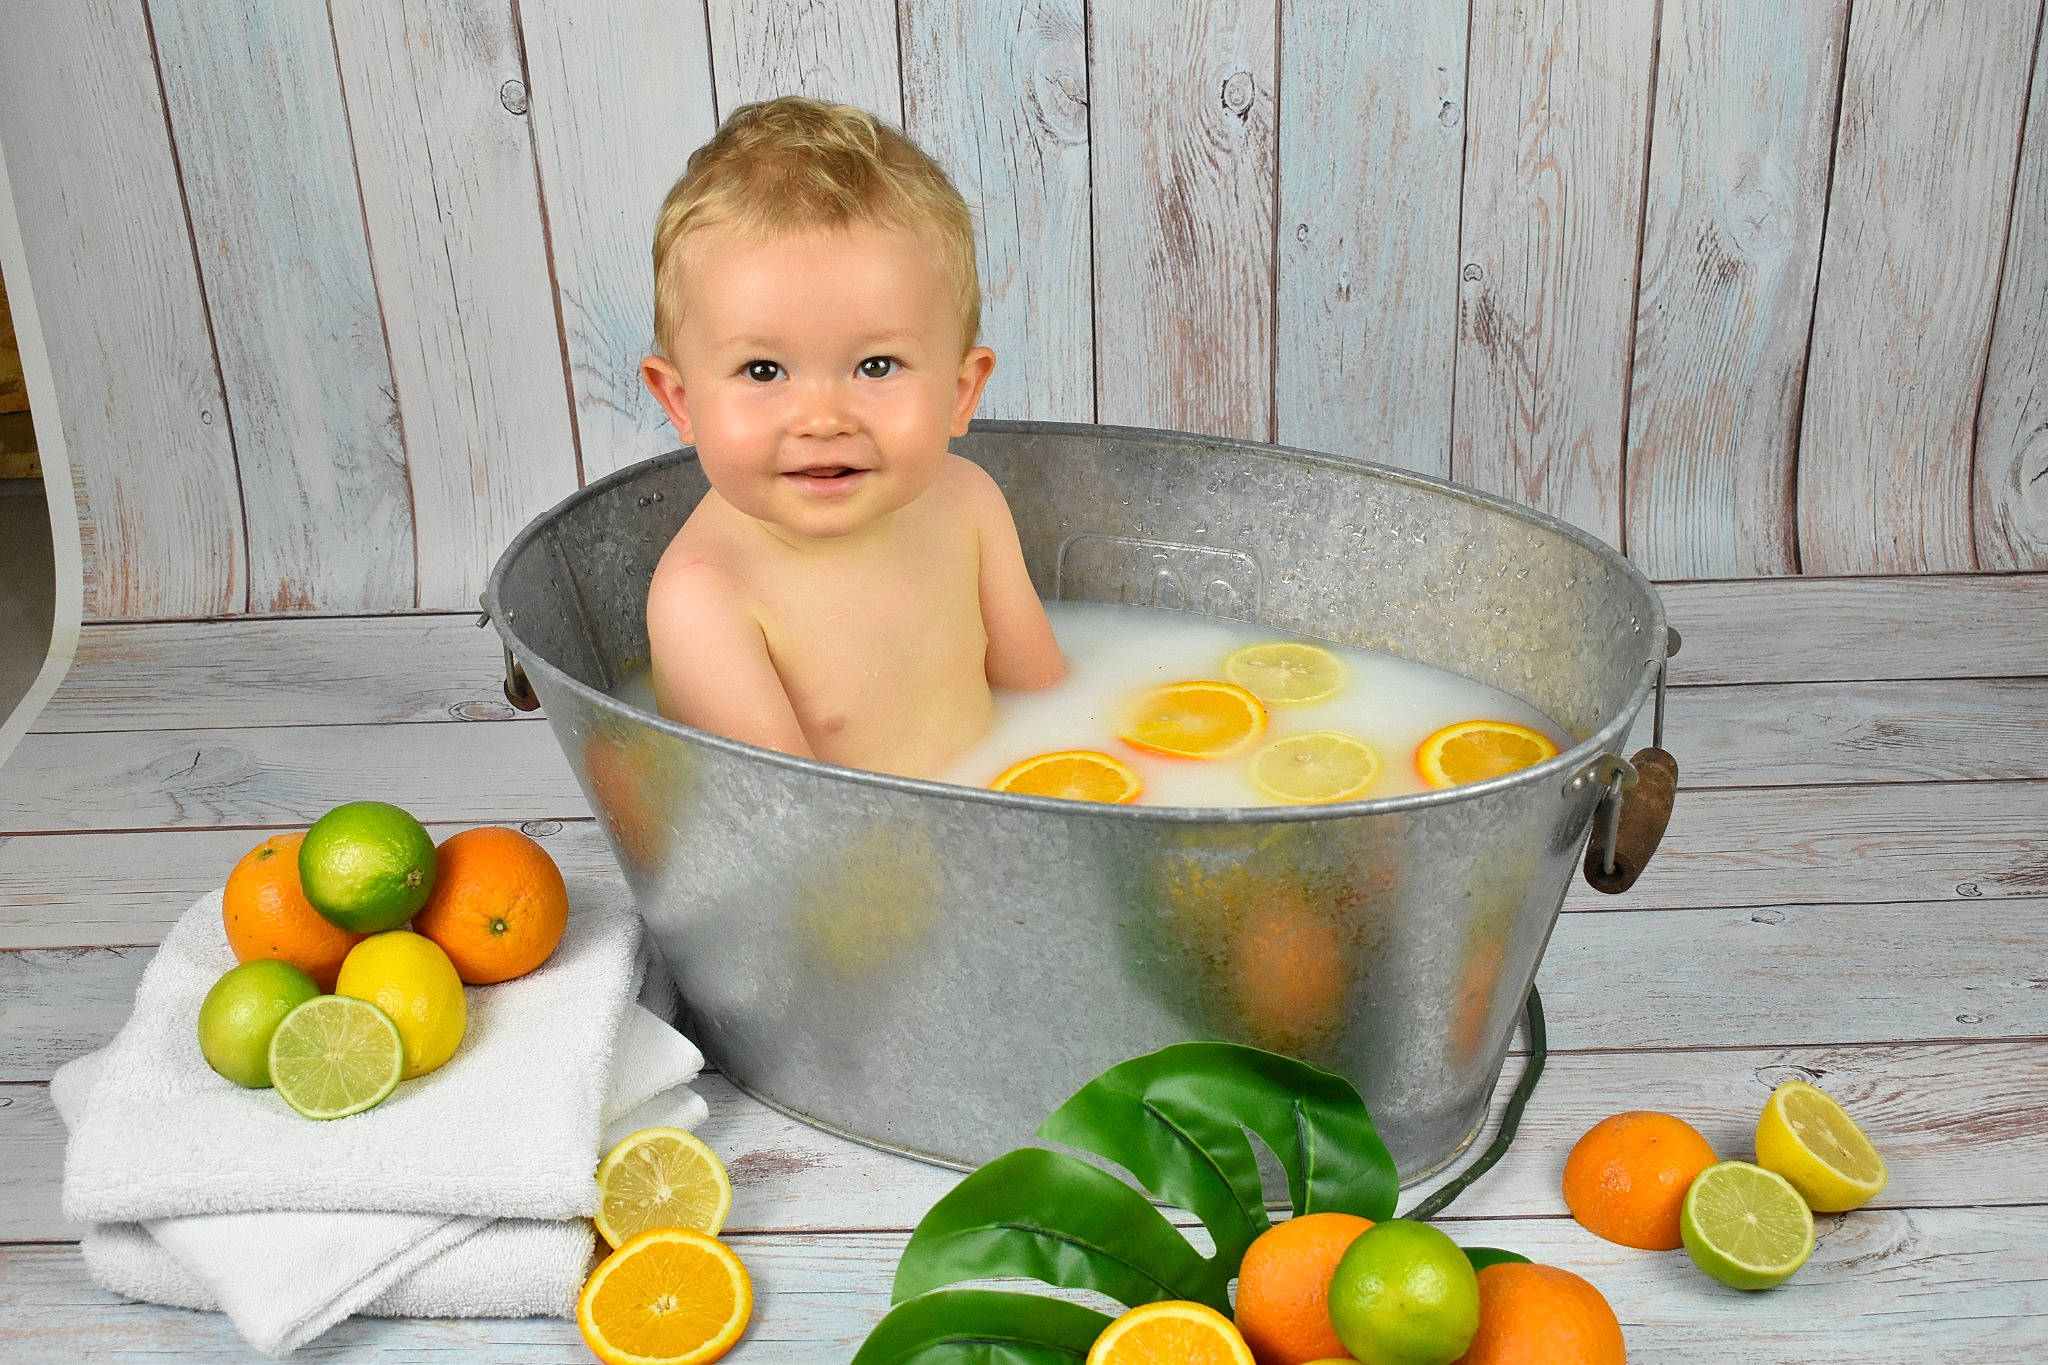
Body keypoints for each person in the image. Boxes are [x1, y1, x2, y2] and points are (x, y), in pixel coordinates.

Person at [638, 97, 1065, 780]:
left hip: (1000, 818)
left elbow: (1048, 697)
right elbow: (797, 826)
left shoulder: (968, 503)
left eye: (875, 366)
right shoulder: (705, 599)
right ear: (681, 401)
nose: (822, 419)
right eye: (763, 370)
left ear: (961, 390)